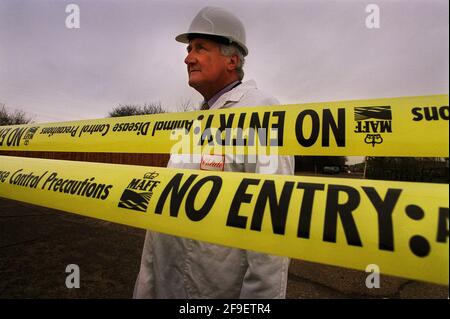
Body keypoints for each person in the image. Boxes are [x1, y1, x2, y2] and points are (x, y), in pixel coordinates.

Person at [133, 6, 295, 299]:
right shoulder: (195, 123)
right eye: (189, 49)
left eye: (200, 48)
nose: (187, 57)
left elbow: (271, 228)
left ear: (232, 60)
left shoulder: (262, 111)